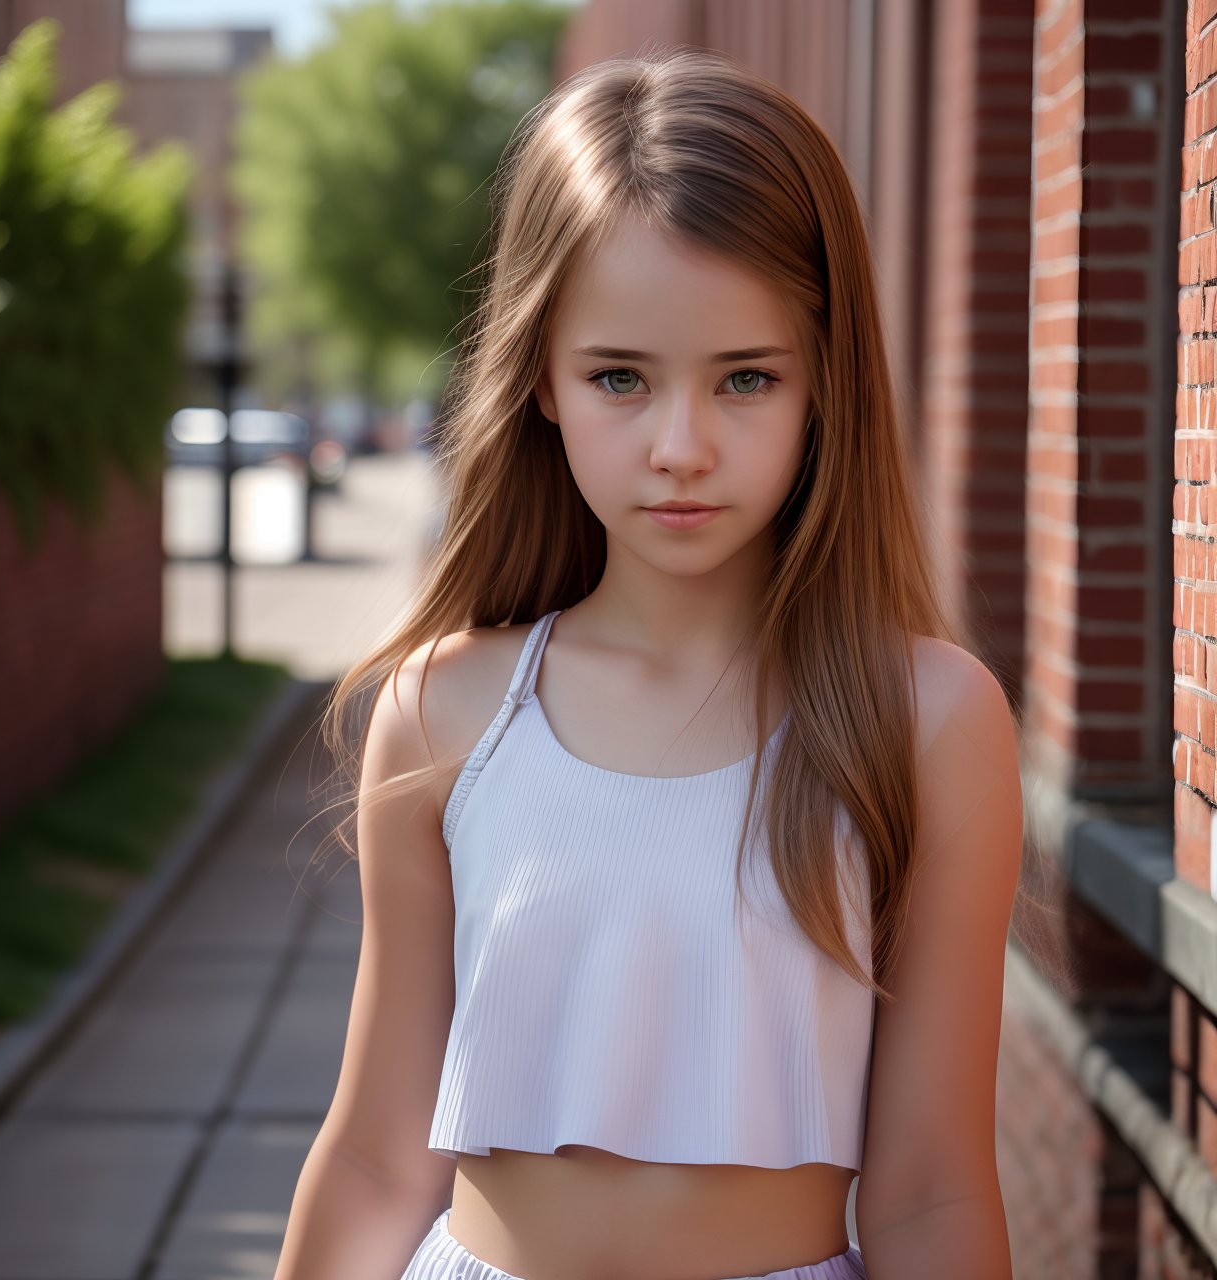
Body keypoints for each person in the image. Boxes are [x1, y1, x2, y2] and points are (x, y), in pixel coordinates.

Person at [276, 45, 1024, 1280]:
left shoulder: (926, 719)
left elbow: (932, 1191)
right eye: (619, 376)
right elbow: (372, 1155)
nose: (681, 446)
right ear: (541, 384)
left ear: (823, 385)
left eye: (745, 378)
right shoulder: (446, 709)